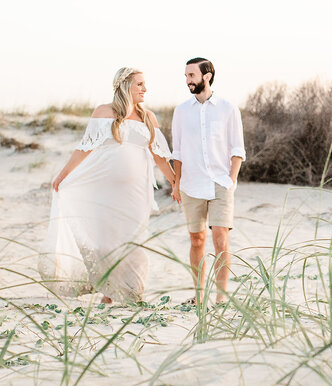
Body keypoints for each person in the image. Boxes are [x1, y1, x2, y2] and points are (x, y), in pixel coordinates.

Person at [38, 67, 176, 304]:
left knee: (132, 239)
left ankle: (132, 293)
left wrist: (175, 182)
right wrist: (62, 175)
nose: (145, 89)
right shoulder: (103, 112)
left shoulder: (148, 117)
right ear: (125, 86)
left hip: (136, 191)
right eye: (140, 84)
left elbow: (160, 157)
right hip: (102, 188)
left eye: (145, 84)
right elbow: (84, 148)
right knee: (105, 242)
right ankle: (108, 292)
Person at [171, 57, 246, 305]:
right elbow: (178, 152)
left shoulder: (227, 108)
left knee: (220, 238)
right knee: (197, 240)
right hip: (191, 185)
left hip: (219, 184)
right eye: (185, 76)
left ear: (207, 76)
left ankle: (221, 298)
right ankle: (198, 296)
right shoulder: (181, 111)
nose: (187, 81)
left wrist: (231, 181)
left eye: (191, 76)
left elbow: (237, 149)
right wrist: (176, 183)